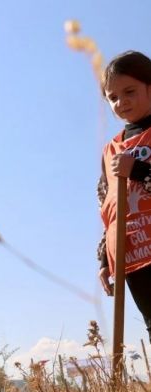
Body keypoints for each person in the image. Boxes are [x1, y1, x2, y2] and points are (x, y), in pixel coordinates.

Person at [97, 50, 151, 342]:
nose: (121, 102)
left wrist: (139, 171)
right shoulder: (110, 150)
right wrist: (105, 259)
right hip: (130, 251)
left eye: (129, 91)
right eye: (112, 97)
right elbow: (108, 207)